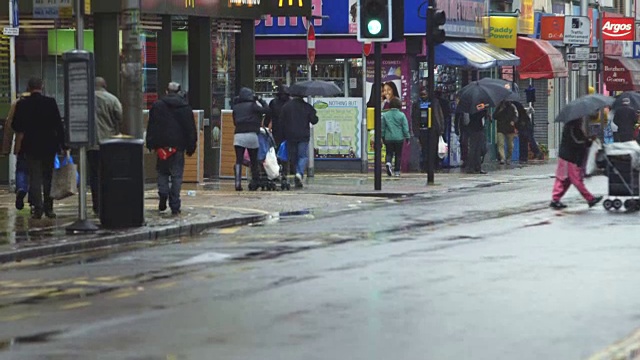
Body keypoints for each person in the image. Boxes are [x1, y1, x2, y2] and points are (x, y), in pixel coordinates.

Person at [11, 78, 66, 219]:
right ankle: (49, 208)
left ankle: (38, 208)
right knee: (48, 177)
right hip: (48, 146)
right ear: (42, 86)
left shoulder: (23, 104)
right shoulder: (50, 102)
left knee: (34, 178)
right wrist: (63, 145)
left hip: (30, 146)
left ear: (28, 87)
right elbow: (58, 125)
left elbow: (16, 126)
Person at [146, 82, 197, 215]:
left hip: (161, 146)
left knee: (162, 172)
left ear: (166, 91)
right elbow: (190, 129)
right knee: (176, 176)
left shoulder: (157, 106)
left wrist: (151, 143)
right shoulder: (185, 107)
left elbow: (151, 125)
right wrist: (191, 146)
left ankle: (163, 193)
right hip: (178, 147)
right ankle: (175, 204)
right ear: (180, 92)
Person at [550, 118, 602, 209]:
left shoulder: (575, 127)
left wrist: (589, 140)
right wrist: (587, 141)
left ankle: (556, 199)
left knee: (567, 180)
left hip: (571, 157)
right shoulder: (571, 128)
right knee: (574, 179)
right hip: (568, 157)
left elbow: (581, 140)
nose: (582, 119)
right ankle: (590, 199)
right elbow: (576, 142)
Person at [89, 77, 123, 216]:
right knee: (108, 174)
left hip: (91, 144)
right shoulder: (112, 99)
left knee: (94, 175)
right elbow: (120, 116)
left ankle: (97, 204)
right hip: (108, 143)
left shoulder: (87, 99)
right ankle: (108, 202)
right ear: (105, 85)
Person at [231, 87, 270, 191]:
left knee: (238, 159)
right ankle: (255, 181)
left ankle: (237, 183)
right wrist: (261, 100)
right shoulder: (253, 106)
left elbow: (234, 121)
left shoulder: (236, 107)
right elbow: (266, 110)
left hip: (238, 135)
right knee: (253, 160)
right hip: (251, 134)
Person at [281, 92, 319, 188]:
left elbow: (281, 120)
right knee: (302, 156)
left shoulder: (286, 106)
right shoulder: (307, 107)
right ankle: (299, 173)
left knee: (293, 156)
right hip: (303, 136)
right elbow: (314, 120)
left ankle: (296, 173)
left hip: (290, 135)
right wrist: (314, 112)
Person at [3, 91, 31, 211]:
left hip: (22, 142)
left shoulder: (17, 104)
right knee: (35, 173)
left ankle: (21, 188)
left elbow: (9, 126)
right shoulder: (42, 102)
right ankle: (35, 201)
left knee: (21, 169)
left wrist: (6, 148)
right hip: (40, 144)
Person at [382, 98, 411, 177]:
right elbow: (405, 127)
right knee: (398, 155)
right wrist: (407, 137)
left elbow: (383, 128)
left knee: (389, 153)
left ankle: (388, 163)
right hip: (399, 138)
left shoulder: (385, 115)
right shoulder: (401, 115)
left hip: (388, 138)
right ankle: (397, 171)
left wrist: (382, 136)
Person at [494, 100, 517, 165]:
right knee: (500, 144)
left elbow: (516, 116)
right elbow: (494, 116)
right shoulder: (499, 107)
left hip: (509, 128)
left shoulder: (512, 107)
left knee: (510, 145)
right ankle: (502, 158)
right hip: (501, 128)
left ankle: (508, 158)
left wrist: (513, 121)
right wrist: (500, 110)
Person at [411, 89, 430, 172]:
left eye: (425, 94)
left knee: (427, 148)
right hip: (420, 129)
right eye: (422, 95)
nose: (423, 96)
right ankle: (423, 164)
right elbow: (414, 118)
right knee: (422, 148)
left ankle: (427, 164)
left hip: (429, 129)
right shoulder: (416, 104)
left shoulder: (432, 103)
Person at [466, 109, 487, 174]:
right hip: (475, 130)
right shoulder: (475, 109)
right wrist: (484, 112)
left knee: (478, 149)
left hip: (479, 129)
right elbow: (476, 117)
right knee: (473, 149)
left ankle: (478, 167)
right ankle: (471, 167)